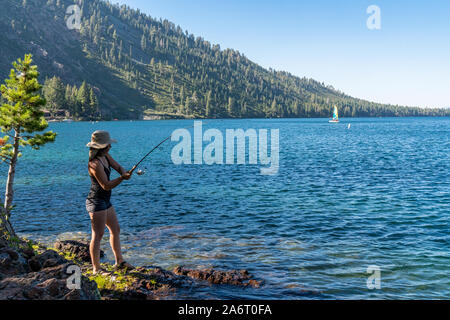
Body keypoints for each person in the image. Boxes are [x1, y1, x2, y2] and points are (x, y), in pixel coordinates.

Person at [86, 130, 134, 274]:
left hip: (105, 201)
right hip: (96, 202)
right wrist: (122, 179)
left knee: (115, 229)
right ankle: (96, 269)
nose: (110, 147)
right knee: (98, 235)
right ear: (102, 146)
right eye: (108, 144)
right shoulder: (94, 164)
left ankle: (119, 262)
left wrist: (124, 172)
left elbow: (118, 167)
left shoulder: (105, 156)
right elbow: (106, 185)